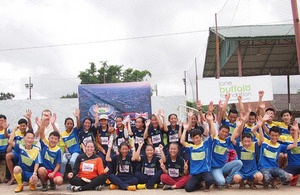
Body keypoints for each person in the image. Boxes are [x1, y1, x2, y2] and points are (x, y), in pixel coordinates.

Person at [181, 107, 216, 192]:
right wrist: (185, 129)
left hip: (205, 172)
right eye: (194, 138)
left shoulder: (206, 144)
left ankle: (207, 186)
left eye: (197, 138)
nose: (196, 140)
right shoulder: (191, 147)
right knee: (188, 189)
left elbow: (213, 134)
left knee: (210, 179)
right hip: (195, 174)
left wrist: (210, 120)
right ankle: (199, 184)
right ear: (192, 139)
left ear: (201, 137)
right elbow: (182, 141)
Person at [257, 123, 298, 189]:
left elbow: (294, 145)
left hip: (275, 168)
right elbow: (253, 131)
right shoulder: (264, 142)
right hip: (264, 168)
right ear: (269, 135)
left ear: (279, 135)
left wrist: (296, 131)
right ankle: (266, 183)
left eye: (276, 136)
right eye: (272, 135)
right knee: (267, 178)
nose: (274, 137)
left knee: (288, 176)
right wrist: (260, 125)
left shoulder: (280, 146)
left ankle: (274, 181)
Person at [231, 116, 264, 189]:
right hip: (241, 171)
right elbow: (232, 139)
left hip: (252, 170)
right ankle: (242, 182)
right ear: (242, 141)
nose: (247, 143)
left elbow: (261, 140)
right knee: (236, 178)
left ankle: (252, 182)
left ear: (251, 141)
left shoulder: (254, 145)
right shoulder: (239, 146)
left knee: (260, 177)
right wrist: (237, 127)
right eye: (245, 141)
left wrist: (260, 127)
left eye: (249, 141)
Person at [8, 128, 41, 192]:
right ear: (24, 138)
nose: (30, 140)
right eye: (28, 138)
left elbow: (37, 163)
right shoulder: (20, 147)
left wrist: (34, 174)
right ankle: (20, 185)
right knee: (16, 168)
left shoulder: (37, 149)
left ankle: (31, 184)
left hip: (31, 173)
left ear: (34, 140)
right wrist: (14, 130)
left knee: (35, 180)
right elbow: (10, 142)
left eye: (32, 138)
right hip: (22, 172)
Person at [211, 123, 243, 187]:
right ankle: (214, 178)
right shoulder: (214, 139)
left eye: (226, 132)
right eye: (223, 131)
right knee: (221, 182)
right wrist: (211, 120)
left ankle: (228, 179)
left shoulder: (227, 141)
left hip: (224, 166)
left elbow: (234, 137)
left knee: (239, 163)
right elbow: (213, 132)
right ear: (219, 131)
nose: (224, 134)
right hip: (215, 168)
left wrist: (237, 126)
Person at [5, 110, 33, 185]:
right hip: (17, 152)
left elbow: (30, 128)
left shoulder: (28, 134)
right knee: (8, 156)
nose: (22, 127)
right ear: (19, 126)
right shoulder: (16, 133)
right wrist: (14, 130)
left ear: (26, 126)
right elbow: (8, 137)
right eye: (21, 126)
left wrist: (29, 119)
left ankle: (25, 179)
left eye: (24, 126)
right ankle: (13, 177)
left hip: (25, 153)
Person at [37, 114, 63, 191]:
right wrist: (43, 121)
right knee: (41, 170)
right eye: (52, 138)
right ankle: (44, 183)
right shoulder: (45, 144)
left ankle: (52, 182)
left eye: (55, 139)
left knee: (59, 181)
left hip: (52, 171)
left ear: (58, 141)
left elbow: (58, 165)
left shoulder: (58, 150)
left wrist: (53, 173)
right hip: (44, 170)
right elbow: (41, 132)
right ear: (48, 138)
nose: (53, 140)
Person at [277, 121, 300, 186]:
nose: (294, 131)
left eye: (296, 129)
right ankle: (295, 177)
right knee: (284, 179)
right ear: (289, 131)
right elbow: (272, 135)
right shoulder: (286, 140)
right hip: (291, 165)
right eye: (292, 130)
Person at [60, 109, 81, 177]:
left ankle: (75, 176)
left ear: (73, 125)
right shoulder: (62, 134)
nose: (69, 125)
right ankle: (61, 176)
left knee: (72, 161)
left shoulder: (74, 131)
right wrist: (67, 153)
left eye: (71, 124)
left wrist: (77, 117)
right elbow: (64, 146)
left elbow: (78, 126)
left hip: (76, 152)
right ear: (65, 124)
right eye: (67, 124)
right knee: (63, 161)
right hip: (67, 152)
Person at [0, 114, 10, 183]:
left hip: (5, 150)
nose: (0, 122)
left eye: (2, 121)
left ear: (5, 121)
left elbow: (10, 139)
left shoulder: (8, 130)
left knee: (8, 158)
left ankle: (7, 177)